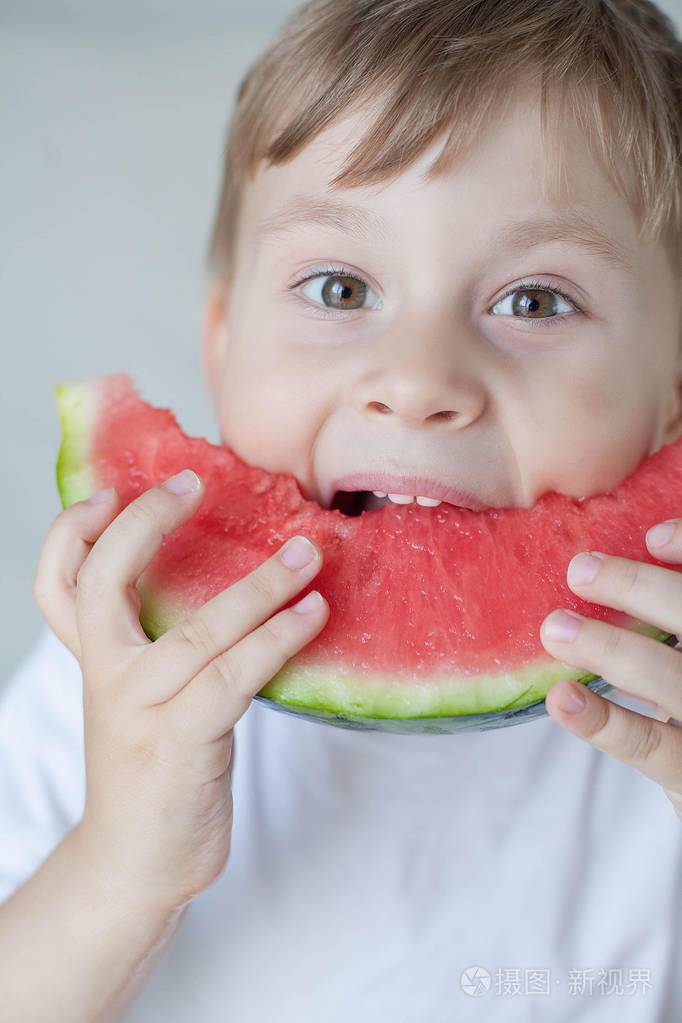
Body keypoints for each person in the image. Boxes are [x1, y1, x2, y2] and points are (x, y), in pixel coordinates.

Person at [1, 0, 682, 1019]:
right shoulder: (119, 677)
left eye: (534, 300)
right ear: (223, 341)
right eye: (338, 287)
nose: (415, 380)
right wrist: (120, 864)